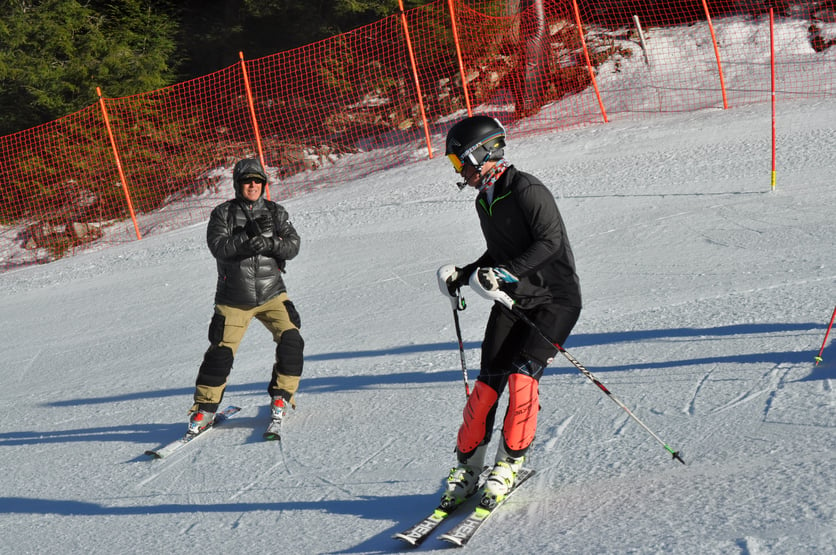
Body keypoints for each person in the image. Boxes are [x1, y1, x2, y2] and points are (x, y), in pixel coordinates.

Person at [437, 115, 582, 509]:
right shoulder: (485, 198)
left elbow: (549, 242)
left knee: (522, 380)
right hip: (512, 300)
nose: (459, 171)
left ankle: (507, 465)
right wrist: (465, 274)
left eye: (459, 161)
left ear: (482, 153)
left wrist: (502, 273)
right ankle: (468, 468)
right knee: (487, 386)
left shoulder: (527, 189)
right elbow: (500, 251)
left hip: (555, 299)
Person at [187, 157, 304, 436]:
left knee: (291, 339)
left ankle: (281, 397)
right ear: (238, 184)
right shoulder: (223, 213)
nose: (252, 185)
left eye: (257, 181)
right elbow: (219, 247)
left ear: (263, 184)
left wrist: (269, 242)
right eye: (247, 181)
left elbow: (293, 245)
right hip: (233, 298)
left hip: (272, 293)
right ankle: (204, 410)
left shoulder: (276, 212)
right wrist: (245, 236)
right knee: (220, 354)